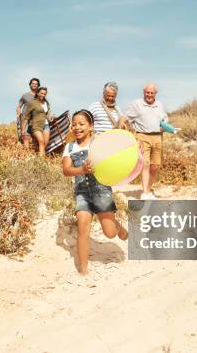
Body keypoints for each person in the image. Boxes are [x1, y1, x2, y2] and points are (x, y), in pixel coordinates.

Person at [62, 109, 128, 275]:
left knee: (110, 233)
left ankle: (118, 227)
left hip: (101, 190)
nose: (77, 127)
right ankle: (83, 270)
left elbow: (120, 152)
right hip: (82, 192)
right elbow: (66, 170)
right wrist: (82, 169)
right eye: (74, 124)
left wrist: (136, 147)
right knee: (83, 227)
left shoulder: (98, 143)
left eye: (81, 124)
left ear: (90, 126)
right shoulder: (70, 147)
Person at [124, 83, 168, 200]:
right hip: (142, 136)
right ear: (144, 92)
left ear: (155, 93)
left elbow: (164, 118)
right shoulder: (136, 104)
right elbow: (126, 117)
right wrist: (122, 128)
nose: (149, 95)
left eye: (151, 93)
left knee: (155, 165)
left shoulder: (160, 105)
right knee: (145, 164)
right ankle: (145, 193)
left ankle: (148, 190)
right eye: (147, 92)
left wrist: (165, 125)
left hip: (158, 137)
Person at [21, 86, 52, 157]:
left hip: (46, 125)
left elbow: (46, 114)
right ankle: (40, 162)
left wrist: (50, 118)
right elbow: (26, 117)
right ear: (37, 93)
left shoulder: (46, 103)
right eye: (41, 93)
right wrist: (23, 131)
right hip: (36, 125)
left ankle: (39, 160)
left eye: (44, 94)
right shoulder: (33, 103)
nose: (43, 95)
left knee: (44, 144)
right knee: (41, 141)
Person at [16, 78, 40, 149]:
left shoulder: (40, 96)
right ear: (30, 85)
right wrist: (18, 113)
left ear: (38, 86)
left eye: (36, 84)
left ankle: (33, 151)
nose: (34, 85)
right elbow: (19, 105)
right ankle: (25, 151)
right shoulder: (25, 95)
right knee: (24, 135)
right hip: (25, 118)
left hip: (35, 119)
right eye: (33, 83)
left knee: (34, 136)